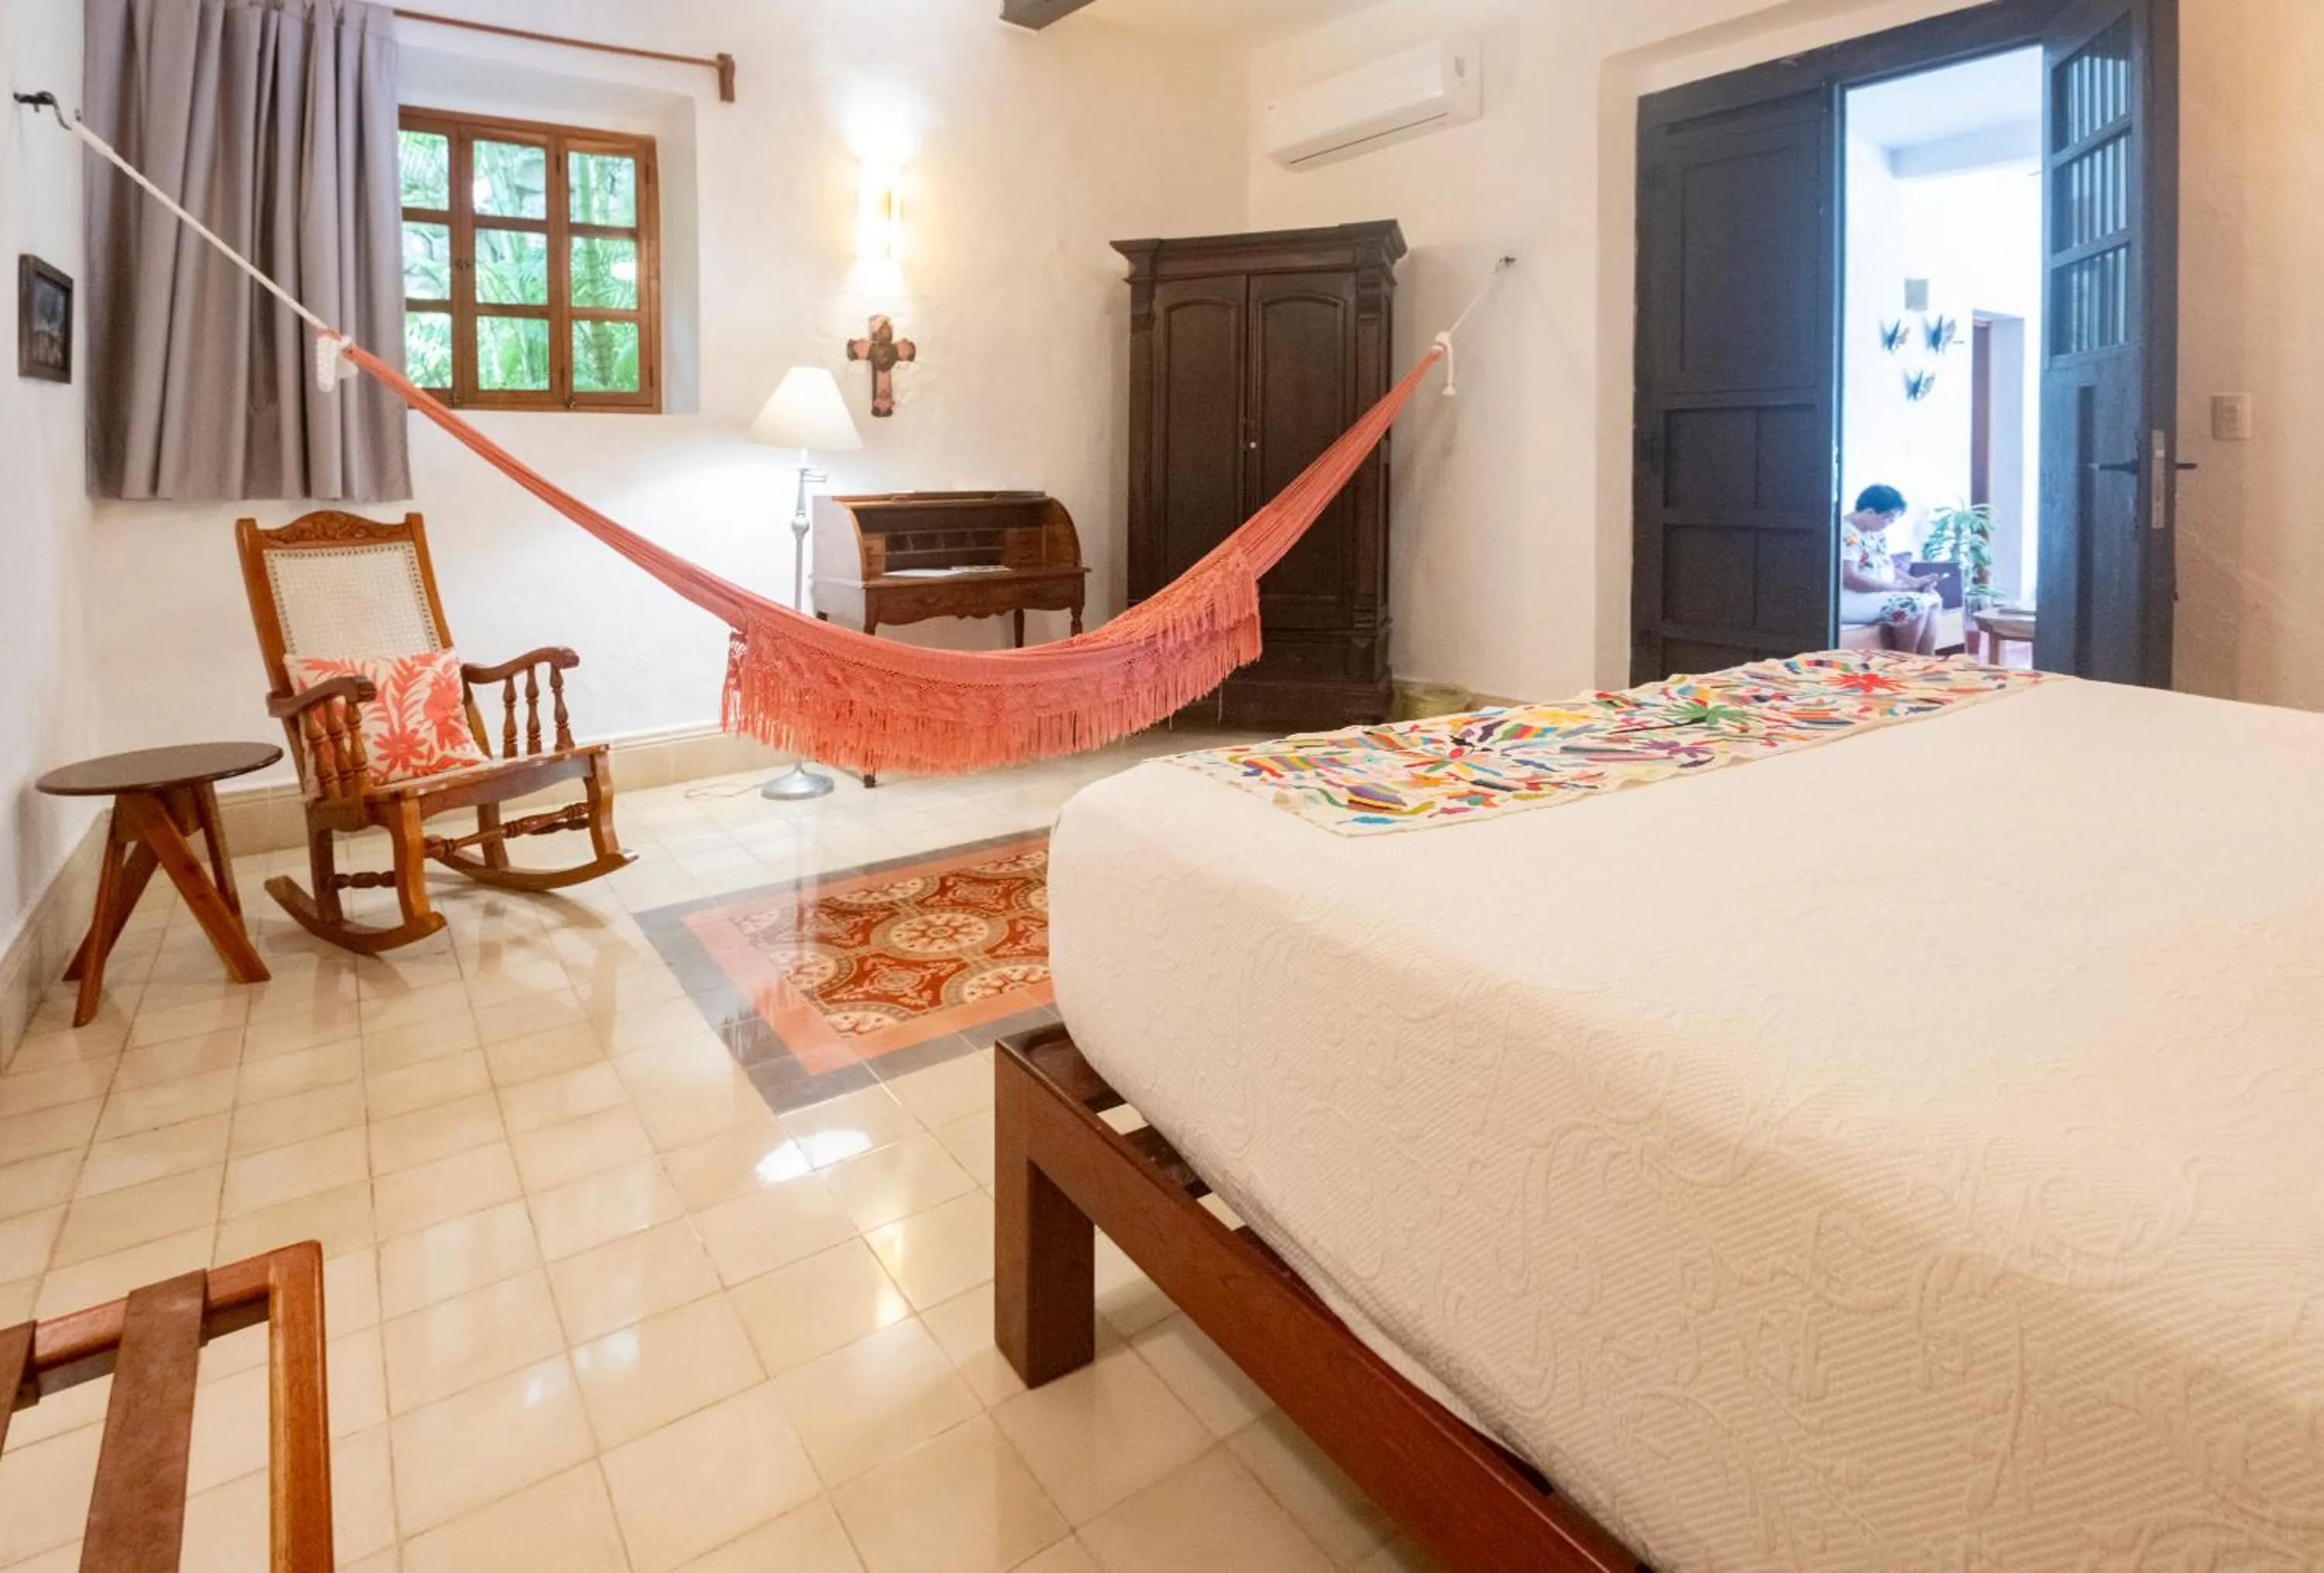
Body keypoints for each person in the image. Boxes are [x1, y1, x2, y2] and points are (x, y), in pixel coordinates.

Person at [1840, 484, 1942, 655]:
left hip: (1876, 594)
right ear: (1870, 512)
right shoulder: (1846, 534)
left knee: (1932, 598)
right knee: (1912, 605)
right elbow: (1851, 578)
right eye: (1888, 517)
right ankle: (1906, 663)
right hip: (1852, 598)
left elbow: (1887, 566)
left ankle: (1926, 661)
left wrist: (1914, 582)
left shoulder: (1875, 533)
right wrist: (1897, 588)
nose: (1891, 523)